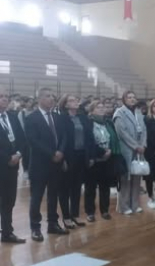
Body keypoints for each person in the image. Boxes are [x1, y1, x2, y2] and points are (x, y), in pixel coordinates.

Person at [25, 87, 69, 241]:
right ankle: (35, 228)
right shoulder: (31, 118)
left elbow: (64, 136)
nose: (52, 99)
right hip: (40, 164)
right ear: (39, 99)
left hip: (56, 164)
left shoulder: (57, 117)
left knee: (53, 195)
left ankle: (53, 223)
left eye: (53, 96)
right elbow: (33, 141)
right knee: (36, 197)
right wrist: (52, 154)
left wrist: (61, 151)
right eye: (48, 96)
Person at [58, 94, 94, 229]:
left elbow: (89, 138)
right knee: (65, 188)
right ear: (65, 104)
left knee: (77, 187)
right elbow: (60, 139)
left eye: (76, 100)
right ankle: (66, 217)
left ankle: (75, 214)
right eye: (72, 100)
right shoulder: (61, 118)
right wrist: (62, 159)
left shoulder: (83, 117)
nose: (75, 102)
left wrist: (90, 156)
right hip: (68, 156)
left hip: (81, 155)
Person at [113, 91, 147, 215]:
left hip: (139, 150)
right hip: (126, 149)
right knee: (125, 179)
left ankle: (135, 204)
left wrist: (143, 144)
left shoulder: (138, 112)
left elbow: (144, 130)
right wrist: (135, 146)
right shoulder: (119, 113)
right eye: (129, 97)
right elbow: (122, 132)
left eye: (134, 97)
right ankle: (124, 206)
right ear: (124, 99)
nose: (132, 99)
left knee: (136, 177)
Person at [0, 87, 27, 243]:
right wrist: (7, 158)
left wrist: (18, 154)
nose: (4, 99)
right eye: (1, 96)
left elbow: (22, 139)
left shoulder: (12, 116)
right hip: (2, 162)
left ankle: (7, 232)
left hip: (12, 166)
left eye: (6, 96)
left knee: (9, 200)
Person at [85, 101, 120, 221]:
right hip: (94, 159)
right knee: (90, 188)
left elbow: (113, 138)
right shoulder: (88, 123)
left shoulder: (108, 122)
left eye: (102, 107)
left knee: (105, 187)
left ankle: (104, 210)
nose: (101, 109)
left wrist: (110, 151)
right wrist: (102, 152)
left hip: (107, 159)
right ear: (92, 111)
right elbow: (88, 142)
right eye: (98, 107)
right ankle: (90, 212)